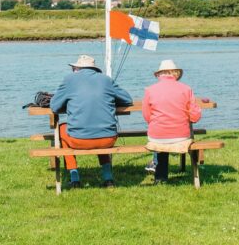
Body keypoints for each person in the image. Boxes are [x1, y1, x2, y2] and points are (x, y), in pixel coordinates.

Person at [50, 54, 133, 189]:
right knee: (100, 127)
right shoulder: (106, 80)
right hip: (108, 139)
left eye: (73, 68)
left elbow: (54, 106)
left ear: (77, 69)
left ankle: (74, 176)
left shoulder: (69, 80)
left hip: (79, 140)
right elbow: (127, 99)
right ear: (94, 69)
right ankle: (108, 178)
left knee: (61, 129)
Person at [142, 59, 202, 184]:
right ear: (175, 73)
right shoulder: (186, 89)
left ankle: (160, 177)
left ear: (159, 74)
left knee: (161, 138)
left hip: (157, 136)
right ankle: (189, 176)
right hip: (181, 137)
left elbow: (147, 116)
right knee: (173, 134)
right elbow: (195, 117)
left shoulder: (150, 90)